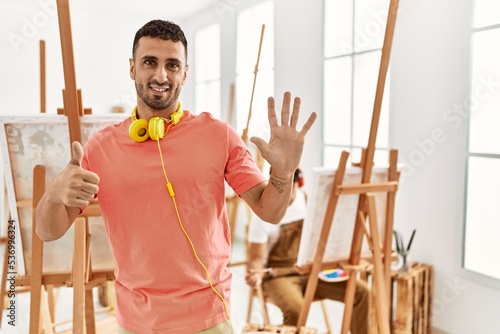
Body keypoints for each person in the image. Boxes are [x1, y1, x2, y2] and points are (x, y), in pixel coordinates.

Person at [35, 19, 316, 334]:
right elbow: (48, 232)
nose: (160, 75)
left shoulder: (219, 136)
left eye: (172, 65)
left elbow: (270, 211)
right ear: (132, 68)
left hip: (208, 317)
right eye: (149, 63)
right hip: (136, 321)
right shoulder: (99, 148)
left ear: (185, 72)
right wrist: (54, 194)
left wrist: (284, 171)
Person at [245, 169, 369, 334]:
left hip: (310, 269)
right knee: (297, 309)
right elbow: (257, 257)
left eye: (289, 188)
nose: (282, 194)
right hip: (279, 275)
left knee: (361, 292)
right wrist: (256, 274)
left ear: (298, 184)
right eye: (278, 188)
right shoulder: (262, 213)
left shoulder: (308, 202)